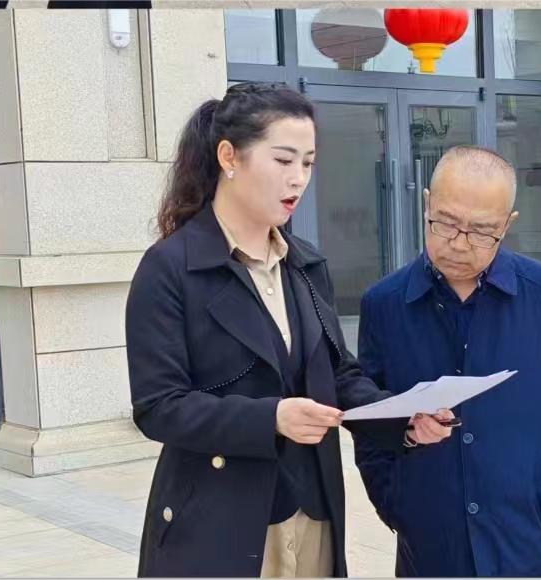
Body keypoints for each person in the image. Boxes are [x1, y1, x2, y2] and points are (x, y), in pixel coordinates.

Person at [125, 82, 454, 578]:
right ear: (229, 157)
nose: (298, 179)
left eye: (308, 163)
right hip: (220, 521)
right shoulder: (170, 269)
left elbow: (337, 374)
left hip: (313, 512)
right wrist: (271, 418)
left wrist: (401, 417)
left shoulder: (304, 264)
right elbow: (159, 407)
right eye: (283, 160)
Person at [353, 146, 541, 577]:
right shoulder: (384, 303)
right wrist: (395, 503)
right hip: (433, 548)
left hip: (531, 542)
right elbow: (369, 419)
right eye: (446, 223)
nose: (459, 244)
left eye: (481, 231)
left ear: (507, 225)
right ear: (426, 205)